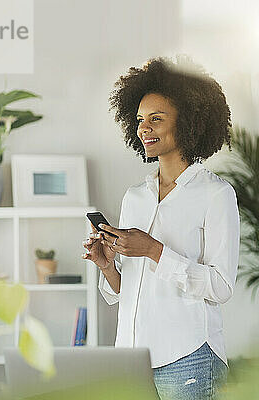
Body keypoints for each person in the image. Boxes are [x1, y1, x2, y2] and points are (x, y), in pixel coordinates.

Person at [82, 57, 240, 400]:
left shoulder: (216, 195)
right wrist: (107, 265)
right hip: (132, 357)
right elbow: (133, 290)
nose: (144, 128)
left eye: (156, 119)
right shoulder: (134, 197)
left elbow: (221, 286)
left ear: (188, 122)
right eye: (140, 120)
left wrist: (154, 250)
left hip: (188, 357)